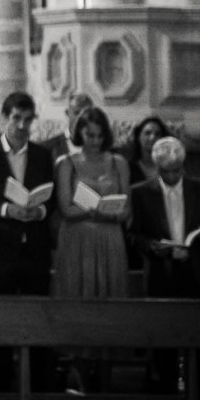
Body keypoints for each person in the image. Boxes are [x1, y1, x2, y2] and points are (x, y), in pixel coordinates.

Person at [0, 92, 56, 391]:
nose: (22, 125)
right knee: (2, 321)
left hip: (35, 247)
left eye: (28, 119)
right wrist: (8, 209)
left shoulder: (43, 155)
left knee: (39, 318)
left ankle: (41, 391)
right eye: (16, 118)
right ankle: (1, 393)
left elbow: (52, 198)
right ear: (5, 117)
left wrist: (40, 209)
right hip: (2, 248)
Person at [129, 136, 200, 388]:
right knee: (165, 341)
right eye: (166, 172)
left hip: (197, 271)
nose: (171, 177)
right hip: (163, 273)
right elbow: (135, 235)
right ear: (157, 168)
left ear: (183, 165)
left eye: (176, 171)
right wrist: (153, 247)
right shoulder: (141, 192)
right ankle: (170, 390)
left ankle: (198, 392)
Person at [53, 106, 130, 299]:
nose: (95, 141)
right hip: (77, 237)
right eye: (90, 135)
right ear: (79, 132)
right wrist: (92, 212)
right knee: (77, 292)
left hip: (109, 236)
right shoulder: (66, 163)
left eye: (100, 135)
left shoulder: (118, 162)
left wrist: (109, 213)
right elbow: (66, 209)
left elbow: (126, 209)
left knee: (111, 295)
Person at [125, 115, 171, 186]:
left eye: (157, 134)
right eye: (147, 133)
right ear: (138, 137)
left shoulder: (171, 166)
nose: (152, 138)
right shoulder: (127, 168)